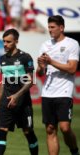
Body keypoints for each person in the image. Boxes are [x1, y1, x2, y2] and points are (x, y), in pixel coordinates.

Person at [37, 15, 79, 155]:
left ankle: (74, 150)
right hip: (47, 92)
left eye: (53, 27)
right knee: (50, 129)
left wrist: (50, 61)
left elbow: (72, 68)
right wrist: (41, 66)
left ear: (61, 28)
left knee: (65, 128)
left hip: (64, 92)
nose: (50, 30)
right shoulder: (45, 45)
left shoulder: (72, 44)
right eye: (49, 27)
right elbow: (40, 74)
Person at [0, 28, 38, 155]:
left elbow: (30, 81)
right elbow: (4, 82)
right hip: (5, 103)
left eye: (8, 42)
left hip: (23, 103)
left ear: (16, 41)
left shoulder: (25, 57)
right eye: (4, 41)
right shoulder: (2, 59)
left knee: (28, 132)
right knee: (1, 132)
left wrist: (17, 96)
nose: (5, 44)